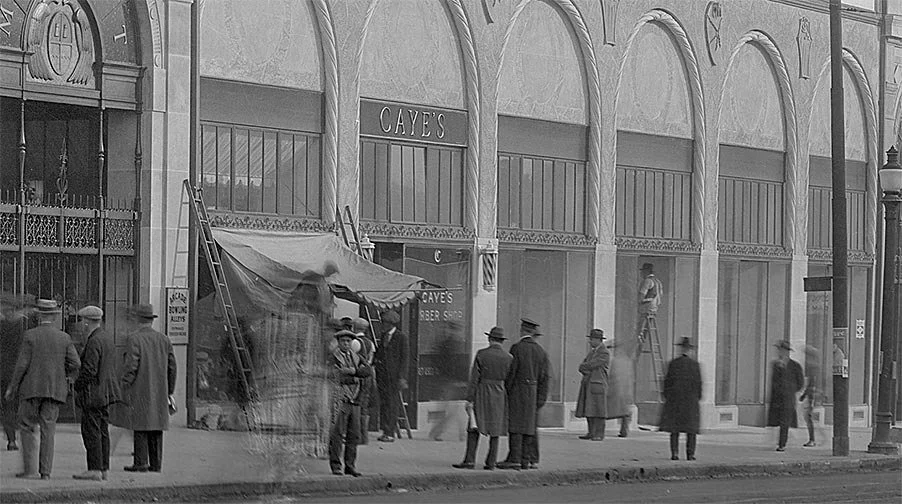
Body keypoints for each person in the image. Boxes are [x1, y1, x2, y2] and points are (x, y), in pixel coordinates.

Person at [3, 299, 80, 480]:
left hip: (31, 389)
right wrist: (69, 378)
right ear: (54, 317)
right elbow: (76, 363)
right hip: (54, 390)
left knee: (26, 426)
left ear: (39, 316)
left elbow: (22, 365)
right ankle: (45, 472)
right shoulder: (64, 338)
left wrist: (12, 388)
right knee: (48, 430)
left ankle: (29, 469)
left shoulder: (30, 336)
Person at [120, 303, 177, 472]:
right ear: (151, 321)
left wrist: (124, 384)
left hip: (140, 388)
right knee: (156, 426)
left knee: (140, 425)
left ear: (138, 320)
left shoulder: (134, 339)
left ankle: (140, 463)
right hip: (160, 389)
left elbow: (131, 365)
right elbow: (172, 367)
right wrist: (169, 389)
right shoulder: (164, 339)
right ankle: (156, 464)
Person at [72, 306, 122, 481]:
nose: (81, 324)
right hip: (106, 392)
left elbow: (90, 370)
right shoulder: (106, 337)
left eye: (82, 321)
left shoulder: (93, 341)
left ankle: (94, 469)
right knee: (103, 431)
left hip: (93, 393)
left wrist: (77, 385)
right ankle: (104, 468)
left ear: (86, 322)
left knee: (91, 431)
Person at [453, 326, 512, 470]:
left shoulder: (481, 354)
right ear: (502, 341)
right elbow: (510, 380)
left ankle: (470, 460)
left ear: (489, 339)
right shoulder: (509, 357)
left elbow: (474, 379)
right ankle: (491, 462)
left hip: (482, 391)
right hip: (499, 393)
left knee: (474, 426)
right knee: (495, 429)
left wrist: (469, 399)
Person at [497, 318, 550, 471]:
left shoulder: (517, 348)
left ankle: (514, 458)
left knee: (515, 426)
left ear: (522, 330)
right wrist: (540, 398)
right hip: (533, 393)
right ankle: (527, 459)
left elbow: (512, 372)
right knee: (529, 426)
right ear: (533, 332)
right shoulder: (541, 351)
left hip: (518, 391)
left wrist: (507, 390)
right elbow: (544, 377)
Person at [328, 329, 372, 476]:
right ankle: (336, 465)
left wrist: (352, 371)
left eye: (348, 341)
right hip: (340, 399)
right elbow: (335, 376)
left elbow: (367, 371)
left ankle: (350, 465)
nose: (345, 344)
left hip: (356, 399)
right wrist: (354, 377)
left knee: (354, 435)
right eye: (343, 341)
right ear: (338, 342)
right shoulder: (333, 358)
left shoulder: (357, 357)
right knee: (337, 434)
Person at [659, 336, 702, 461]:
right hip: (690, 402)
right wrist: (697, 398)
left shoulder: (673, 364)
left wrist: (668, 398)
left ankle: (675, 453)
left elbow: (666, 384)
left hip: (675, 402)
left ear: (680, 349)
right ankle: (690, 454)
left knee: (675, 430)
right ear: (690, 350)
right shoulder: (695, 365)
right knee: (691, 430)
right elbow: (699, 385)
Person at [1, 294, 30, 451]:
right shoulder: (22, 326)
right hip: (19, 370)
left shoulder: (3, 325)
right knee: (19, 403)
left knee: (7, 405)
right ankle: (20, 433)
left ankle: (11, 438)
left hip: (3, 371)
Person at [374, 310, 408, 442]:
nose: (382, 324)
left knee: (392, 404)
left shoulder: (401, 337)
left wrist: (402, 377)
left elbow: (405, 359)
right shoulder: (383, 336)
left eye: (384, 322)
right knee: (384, 403)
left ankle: (390, 432)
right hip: (382, 376)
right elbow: (380, 354)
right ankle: (385, 430)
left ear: (391, 324)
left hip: (394, 377)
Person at [767, 340, 804, 452]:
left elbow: (800, 383)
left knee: (785, 421)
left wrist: (790, 390)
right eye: (779, 350)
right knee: (777, 421)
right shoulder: (775, 365)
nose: (780, 352)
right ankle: (782, 440)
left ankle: (782, 444)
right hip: (777, 399)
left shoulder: (795, 366)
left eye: (782, 350)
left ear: (787, 352)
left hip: (788, 398)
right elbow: (773, 382)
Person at [575, 329, 610, 441]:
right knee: (589, 409)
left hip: (598, 385)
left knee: (599, 410)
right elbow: (582, 366)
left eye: (591, 339)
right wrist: (586, 367)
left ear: (597, 340)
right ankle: (591, 432)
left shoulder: (604, 352)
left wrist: (586, 367)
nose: (590, 342)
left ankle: (599, 434)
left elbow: (591, 365)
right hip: (590, 384)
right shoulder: (592, 352)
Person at [351, 317, 376, 445]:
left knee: (356, 403)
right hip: (368, 375)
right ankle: (364, 436)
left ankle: (357, 435)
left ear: (354, 327)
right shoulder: (370, 343)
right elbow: (371, 358)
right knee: (364, 404)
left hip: (358, 375)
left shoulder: (355, 342)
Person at [605, 340, 635, 437]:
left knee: (604, 410)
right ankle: (624, 430)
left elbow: (608, 375)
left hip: (614, 389)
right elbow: (630, 378)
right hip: (624, 391)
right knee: (624, 412)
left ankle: (598, 430)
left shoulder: (612, 360)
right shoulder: (627, 360)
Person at [800, 345, 822, 447]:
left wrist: (805, 395)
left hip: (811, 396)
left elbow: (811, 384)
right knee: (809, 417)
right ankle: (816, 437)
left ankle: (812, 439)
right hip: (812, 395)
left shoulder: (812, 367)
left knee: (808, 417)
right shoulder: (815, 366)